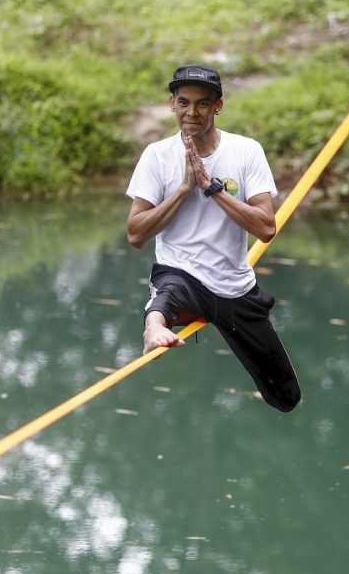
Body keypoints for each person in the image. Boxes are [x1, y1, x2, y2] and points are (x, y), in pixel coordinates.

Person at [126, 64, 301, 413]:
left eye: (203, 104)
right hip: (182, 274)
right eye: (184, 102)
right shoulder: (157, 156)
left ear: (218, 106)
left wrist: (211, 188)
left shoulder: (245, 151)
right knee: (166, 294)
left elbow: (266, 228)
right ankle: (153, 328)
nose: (192, 112)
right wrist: (183, 189)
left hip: (232, 285)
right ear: (172, 104)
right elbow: (135, 234)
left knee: (286, 398)